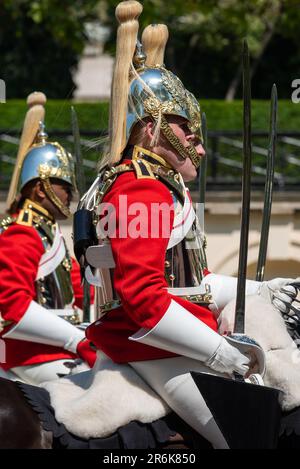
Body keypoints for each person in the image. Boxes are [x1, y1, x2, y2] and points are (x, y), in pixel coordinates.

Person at [82, 1, 297, 448]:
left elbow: (187, 282)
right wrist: (223, 356)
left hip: (176, 339)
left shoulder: (154, 186)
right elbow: (144, 299)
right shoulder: (140, 189)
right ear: (152, 128)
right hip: (157, 348)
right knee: (251, 439)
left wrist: (259, 290)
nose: (199, 150)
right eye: (190, 134)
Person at [0, 92, 96, 385]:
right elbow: (13, 308)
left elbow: (80, 294)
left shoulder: (48, 234)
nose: (70, 194)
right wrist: (75, 340)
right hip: (30, 355)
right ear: (42, 190)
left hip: (54, 347)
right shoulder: (22, 233)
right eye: (65, 186)